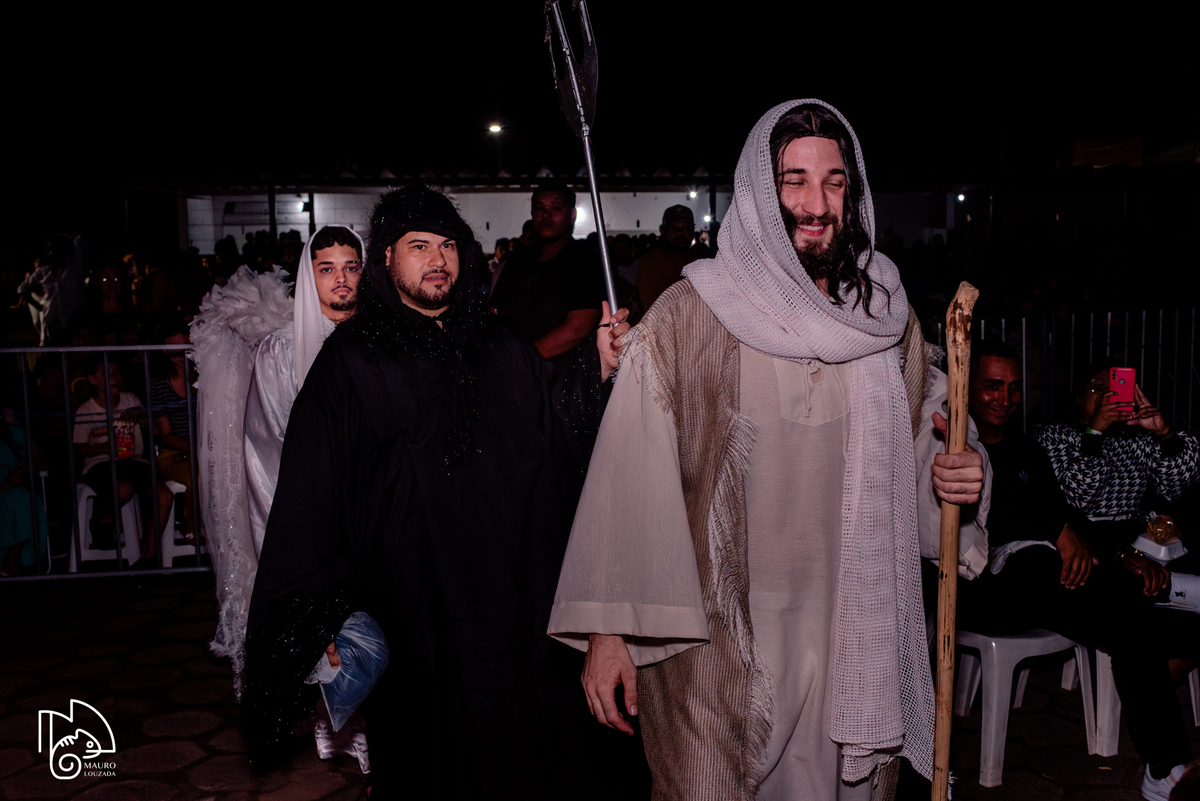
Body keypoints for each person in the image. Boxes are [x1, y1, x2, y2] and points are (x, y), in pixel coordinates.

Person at [548, 100, 983, 799]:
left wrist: (962, 474)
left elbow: (935, 432)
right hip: (715, 646)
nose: (817, 203)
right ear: (758, 191)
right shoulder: (691, 317)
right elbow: (627, 477)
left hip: (853, 634)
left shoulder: (885, 318)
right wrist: (607, 632)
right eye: (795, 180)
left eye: (836, 181)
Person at [242, 185, 635, 799]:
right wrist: (314, 613)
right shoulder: (350, 363)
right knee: (436, 762)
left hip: (516, 609)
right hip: (419, 617)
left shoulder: (496, 344)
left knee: (529, 753)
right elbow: (311, 497)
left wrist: (597, 369)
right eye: (418, 245)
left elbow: (553, 426)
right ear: (388, 259)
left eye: (448, 244)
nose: (438, 259)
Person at [916, 342, 1200, 801]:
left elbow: (1066, 514)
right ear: (964, 388)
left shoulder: (1027, 448)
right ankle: (1166, 763)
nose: (1004, 398)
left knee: (1130, 616)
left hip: (1050, 584)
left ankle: (1164, 768)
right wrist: (1059, 531)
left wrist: (1091, 545)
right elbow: (991, 523)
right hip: (983, 591)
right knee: (1067, 574)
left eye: (1012, 387)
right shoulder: (942, 441)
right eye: (991, 386)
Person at [243, 225, 364, 556]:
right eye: (326, 269)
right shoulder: (280, 349)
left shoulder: (381, 343)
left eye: (351, 267)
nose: (341, 278)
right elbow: (265, 447)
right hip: (307, 513)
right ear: (309, 277)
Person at [489, 181, 606, 364]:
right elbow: (494, 312)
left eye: (555, 208)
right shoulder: (518, 261)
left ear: (572, 215)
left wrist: (523, 359)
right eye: (539, 208)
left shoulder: (585, 261)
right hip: (509, 367)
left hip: (563, 376)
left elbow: (577, 328)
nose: (545, 215)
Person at [73, 357, 173, 565]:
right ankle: (102, 520)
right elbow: (79, 448)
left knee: (164, 496)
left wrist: (144, 418)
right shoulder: (86, 410)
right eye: (108, 374)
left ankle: (149, 556)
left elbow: (155, 431)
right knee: (123, 488)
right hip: (101, 463)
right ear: (93, 380)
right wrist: (106, 447)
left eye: (117, 372)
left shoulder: (131, 400)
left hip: (133, 461)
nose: (114, 378)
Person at [149, 325, 198, 541]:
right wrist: (193, 448)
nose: (181, 355)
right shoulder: (158, 386)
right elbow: (165, 434)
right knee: (196, 475)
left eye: (185, 348)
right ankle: (192, 527)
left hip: (204, 450)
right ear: (165, 352)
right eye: (175, 350)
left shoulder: (203, 380)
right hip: (173, 454)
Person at [635, 204, 697, 312]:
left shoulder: (697, 264)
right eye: (674, 228)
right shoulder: (651, 262)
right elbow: (652, 309)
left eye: (686, 228)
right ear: (663, 231)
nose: (680, 233)